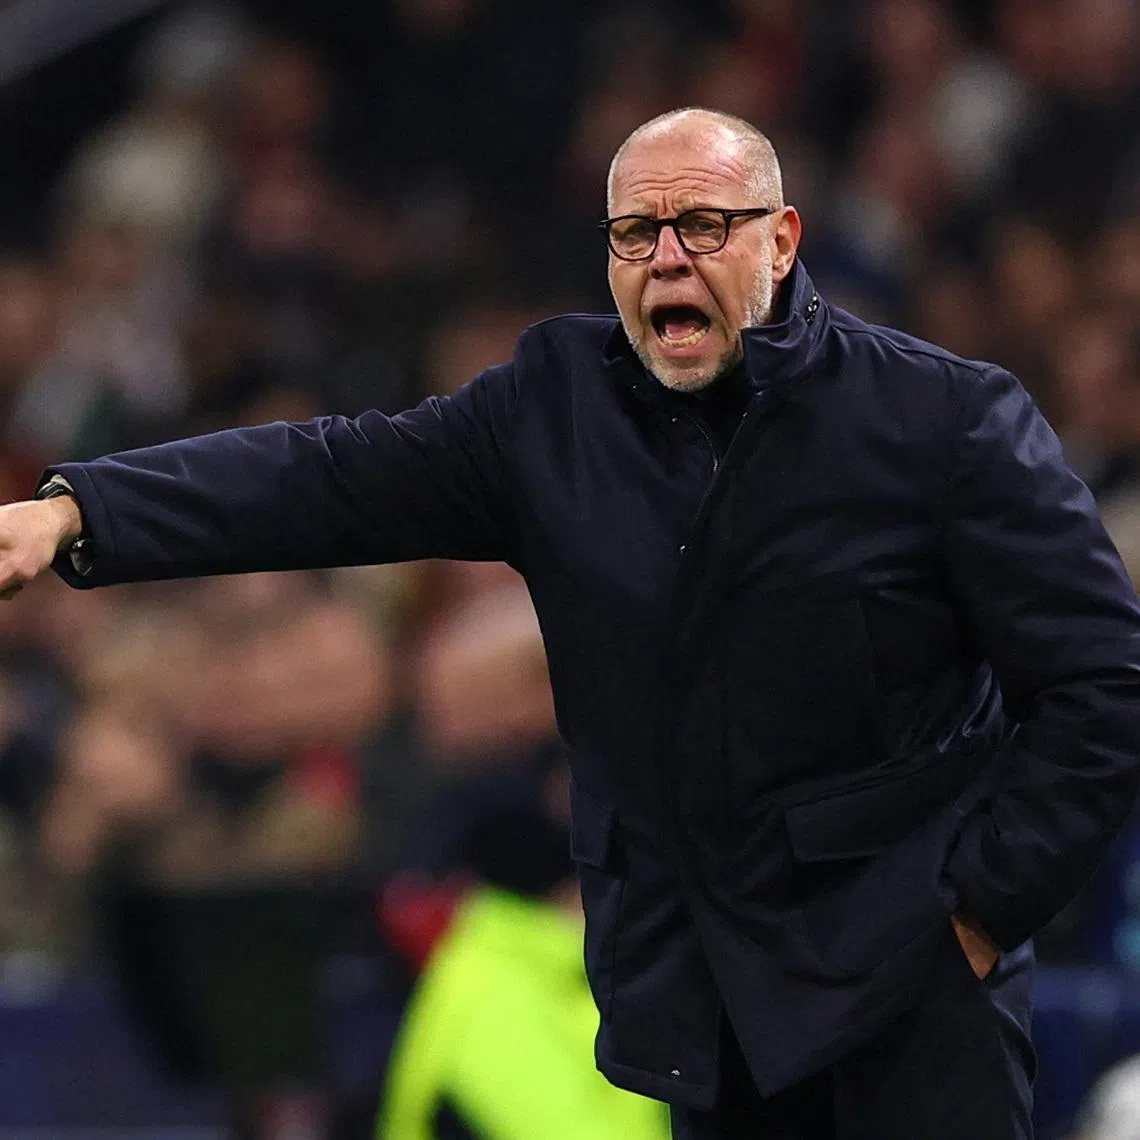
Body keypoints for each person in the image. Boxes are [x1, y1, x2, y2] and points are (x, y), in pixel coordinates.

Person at [2, 106, 1140, 1138]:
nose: (666, 261)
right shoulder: (555, 408)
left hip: (911, 1002)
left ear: (783, 241)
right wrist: (79, 513)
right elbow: (324, 478)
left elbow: (1106, 683)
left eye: (702, 225)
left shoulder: (942, 418)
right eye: (635, 236)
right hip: (713, 1009)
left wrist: (981, 911)